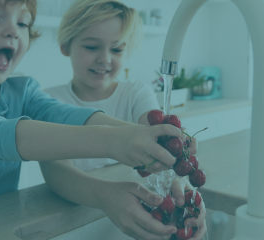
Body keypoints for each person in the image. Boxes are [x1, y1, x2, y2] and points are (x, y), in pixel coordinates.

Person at [0, 0, 197, 239]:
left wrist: (147, 136)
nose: (12, 31)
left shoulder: (23, 91)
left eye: (22, 23)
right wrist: (116, 141)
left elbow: (69, 116)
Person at [43, 0, 207, 239]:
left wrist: (183, 185)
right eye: (91, 47)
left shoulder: (135, 93)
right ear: (65, 45)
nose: (105, 59)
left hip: (130, 220)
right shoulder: (49, 100)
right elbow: (55, 169)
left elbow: (157, 135)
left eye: (117, 49)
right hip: (73, 224)